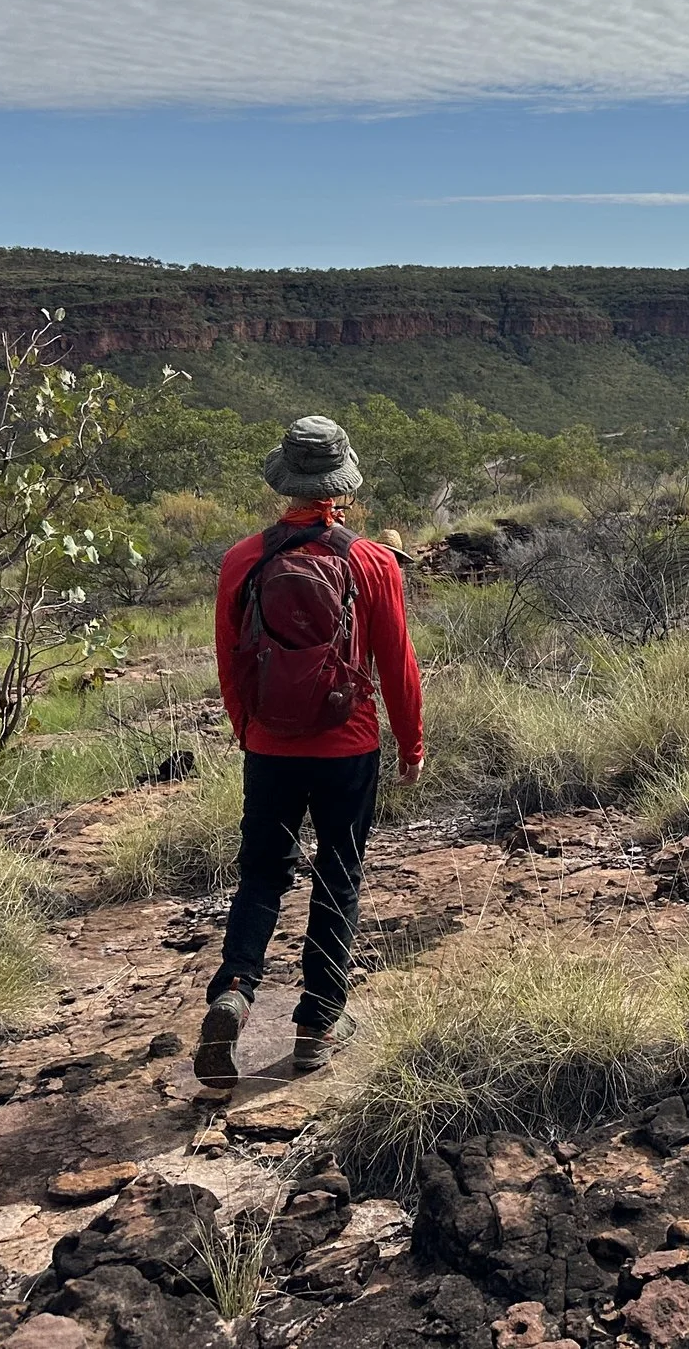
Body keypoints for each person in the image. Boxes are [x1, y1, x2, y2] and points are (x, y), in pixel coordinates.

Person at [196, 415, 424, 1088]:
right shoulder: (373, 561)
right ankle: (317, 1022)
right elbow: (397, 665)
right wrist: (410, 743)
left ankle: (233, 993)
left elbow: (228, 660)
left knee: (263, 874)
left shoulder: (244, 558)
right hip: (347, 745)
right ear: (340, 483)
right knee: (338, 876)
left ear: (285, 482)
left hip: (269, 744)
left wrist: (248, 730)